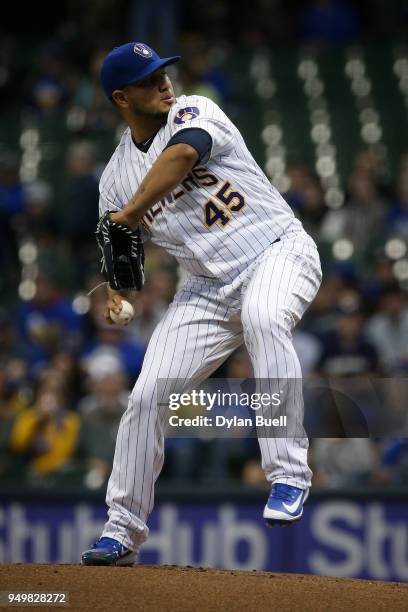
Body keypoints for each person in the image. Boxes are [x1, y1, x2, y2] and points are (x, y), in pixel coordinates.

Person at [81, 42, 322, 566]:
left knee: (263, 317)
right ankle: (122, 530)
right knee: (147, 398)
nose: (164, 82)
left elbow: (184, 154)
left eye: (164, 72)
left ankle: (288, 476)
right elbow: (120, 256)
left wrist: (128, 215)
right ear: (122, 98)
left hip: (276, 251)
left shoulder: (194, 110)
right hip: (206, 290)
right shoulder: (114, 181)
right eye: (149, 80)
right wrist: (117, 292)